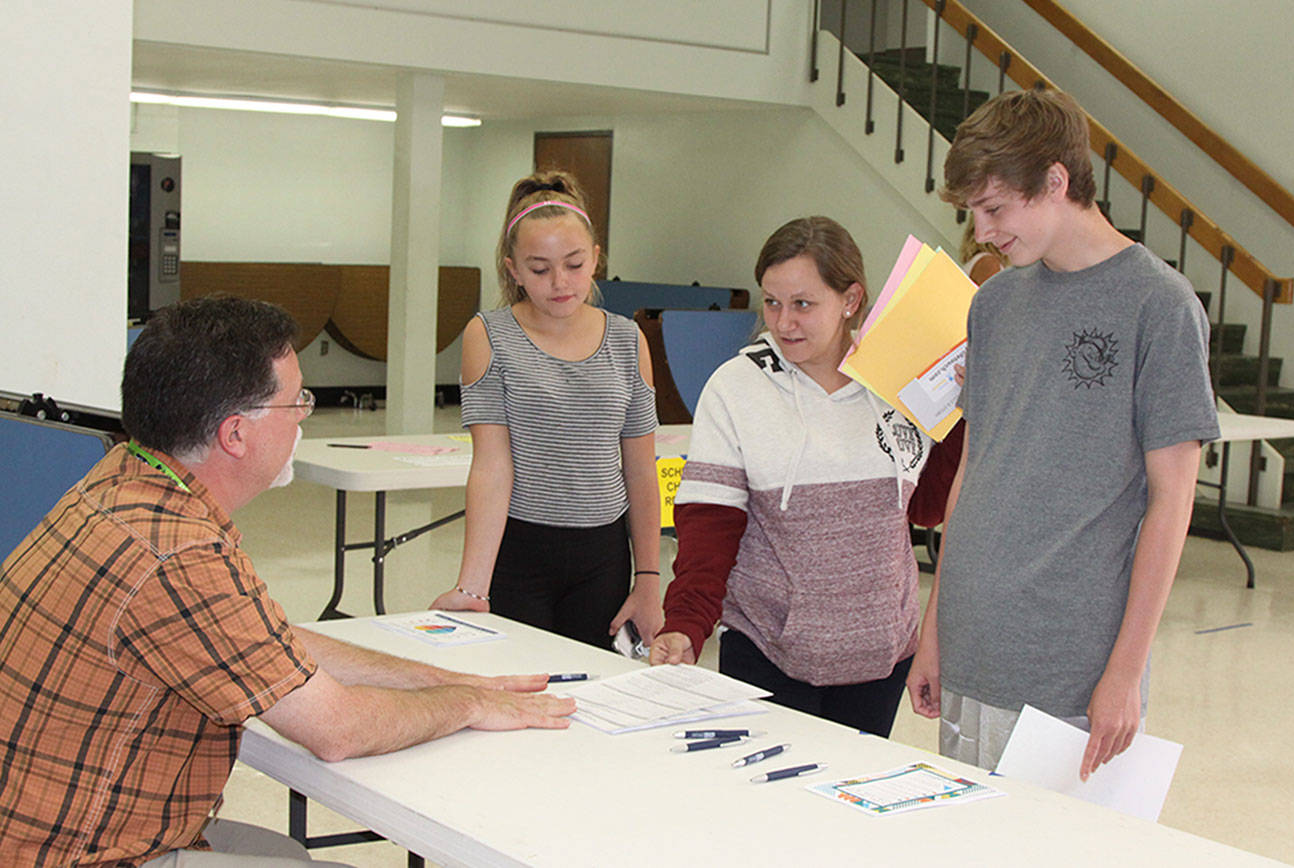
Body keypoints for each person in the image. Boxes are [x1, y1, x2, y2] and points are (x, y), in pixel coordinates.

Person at [0, 297, 575, 868]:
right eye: (295, 400)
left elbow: (271, 642)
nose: (304, 414)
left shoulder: (122, 481)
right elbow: (337, 730)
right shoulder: (180, 554)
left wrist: (439, 681)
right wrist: (467, 703)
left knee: (282, 852)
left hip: (61, 831)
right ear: (235, 434)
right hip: (82, 854)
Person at [905, 88, 1220, 780]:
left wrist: (1125, 673)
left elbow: (1172, 503)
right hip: (973, 651)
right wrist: (935, 632)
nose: (982, 233)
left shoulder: (1159, 306)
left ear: (1055, 181)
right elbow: (973, 473)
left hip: (1073, 673)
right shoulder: (993, 304)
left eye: (994, 210)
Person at [648, 216, 955, 737]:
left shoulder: (899, 382)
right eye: (772, 302)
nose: (783, 321)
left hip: (880, 657)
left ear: (851, 300)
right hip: (768, 649)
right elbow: (708, 529)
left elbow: (927, 507)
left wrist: (962, 413)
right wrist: (685, 624)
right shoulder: (736, 388)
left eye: (803, 304)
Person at [431, 171, 663, 650]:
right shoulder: (489, 336)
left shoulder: (625, 339)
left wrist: (649, 581)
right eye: (539, 270)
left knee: (593, 697)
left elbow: (641, 471)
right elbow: (493, 466)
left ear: (596, 260)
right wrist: (472, 587)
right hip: (519, 550)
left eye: (574, 265)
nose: (560, 283)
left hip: (602, 554)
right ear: (513, 269)